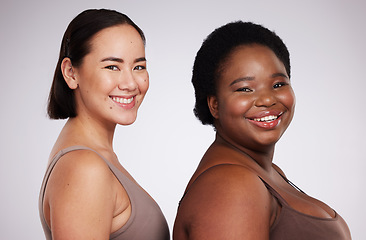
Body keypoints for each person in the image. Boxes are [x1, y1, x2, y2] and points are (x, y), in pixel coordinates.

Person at [173, 21, 351, 240]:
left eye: (278, 84)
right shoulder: (231, 184)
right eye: (245, 89)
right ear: (215, 105)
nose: (267, 99)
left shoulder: (269, 173)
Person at [39, 9, 170, 240]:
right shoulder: (84, 168)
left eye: (138, 66)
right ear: (71, 73)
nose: (131, 83)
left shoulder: (94, 157)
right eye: (112, 66)